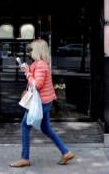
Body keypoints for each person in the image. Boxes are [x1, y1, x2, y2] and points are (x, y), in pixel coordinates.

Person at [10, 39, 75, 168]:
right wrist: (28, 70)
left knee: (25, 126)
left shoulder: (40, 65)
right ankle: (66, 152)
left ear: (37, 51)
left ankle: (25, 158)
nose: (30, 52)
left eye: (32, 49)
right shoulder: (41, 64)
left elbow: (37, 85)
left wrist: (28, 73)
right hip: (45, 101)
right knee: (46, 128)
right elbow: (35, 81)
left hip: (40, 102)